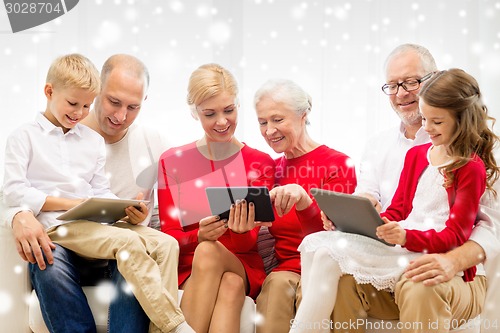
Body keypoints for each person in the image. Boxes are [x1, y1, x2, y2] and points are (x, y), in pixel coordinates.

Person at [293, 68, 499, 333]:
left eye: (437, 121)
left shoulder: (471, 166)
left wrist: (404, 236)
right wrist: (358, 222)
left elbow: (459, 234)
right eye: (424, 118)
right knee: (319, 247)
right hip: (406, 243)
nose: (426, 128)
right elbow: (398, 209)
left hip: (432, 249)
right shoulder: (417, 155)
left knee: (330, 255)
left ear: (461, 119)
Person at [1, 53, 193, 333]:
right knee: (128, 245)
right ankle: (175, 325)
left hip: (94, 226)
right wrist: (59, 205)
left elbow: (101, 190)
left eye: (85, 106)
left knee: (166, 244)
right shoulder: (24, 137)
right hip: (58, 227)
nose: (79, 112)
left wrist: (128, 210)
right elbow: (13, 191)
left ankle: (159, 330)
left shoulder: (91, 141)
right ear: (49, 91)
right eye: (73, 104)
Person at [158, 63, 275, 333]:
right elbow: (169, 237)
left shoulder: (259, 162)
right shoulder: (172, 161)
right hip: (190, 269)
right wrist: (197, 237)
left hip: (241, 261)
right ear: (194, 112)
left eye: (229, 110)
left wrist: (240, 230)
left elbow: (248, 243)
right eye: (210, 114)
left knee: (211, 252)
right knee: (229, 284)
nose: (222, 122)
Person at [253, 78, 357, 333]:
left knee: (310, 292)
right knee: (277, 284)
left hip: (325, 269)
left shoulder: (338, 164)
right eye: (262, 122)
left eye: (278, 120)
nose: (269, 131)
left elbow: (333, 240)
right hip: (285, 269)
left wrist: (304, 201)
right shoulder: (270, 170)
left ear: (303, 115)